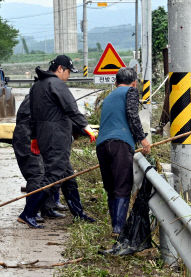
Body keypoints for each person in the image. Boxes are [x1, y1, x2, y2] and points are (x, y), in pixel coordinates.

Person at [26, 55, 97, 226]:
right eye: (68, 72)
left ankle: (78, 212)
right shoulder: (56, 84)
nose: (68, 76)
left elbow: (33, 116)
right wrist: (86, 128)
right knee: (53, 175)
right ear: (60, 69)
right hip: (56, 137)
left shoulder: (37, 86)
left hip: (44, 136)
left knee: (68, 176)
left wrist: (34, 138)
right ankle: (28, 212)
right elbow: (71, 109)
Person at [96, 67, 151, 236]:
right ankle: (118, 229)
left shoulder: (109, 96)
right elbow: (132, 116)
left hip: (102, 145)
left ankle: (116, 226)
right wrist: (143, 140)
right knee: (122, 187)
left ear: (115, 82)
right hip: (120, 144)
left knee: (111, 187)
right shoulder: (131, 92)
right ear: (134, 83)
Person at [13, 95, 67, 229]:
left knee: (49, 172)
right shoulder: (35, 98)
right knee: (36, 174)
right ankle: (30, 213)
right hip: (27, 139)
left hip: (41, 138)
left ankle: (47, 208)